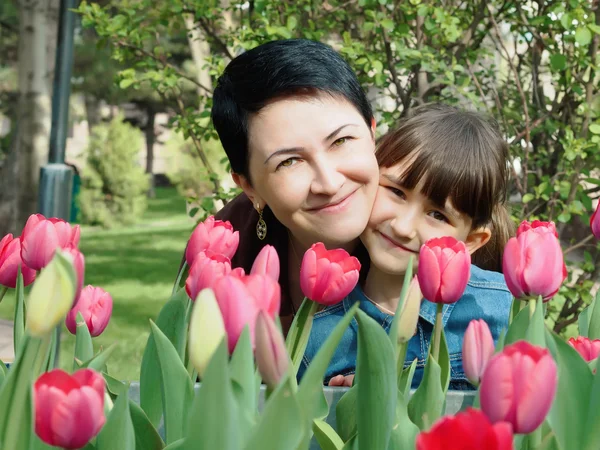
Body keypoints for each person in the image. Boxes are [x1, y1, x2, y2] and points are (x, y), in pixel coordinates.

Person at [299, 104, 514, 389]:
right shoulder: (321, 332)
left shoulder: (501, 309)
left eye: (438, 215)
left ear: (471, 241)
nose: (402, 227)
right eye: (396, 192)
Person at [207, 39, 380, 334]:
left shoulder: (434, 219)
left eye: (341, 141)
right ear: (250, 187)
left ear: (372, 132)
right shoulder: (224, 255)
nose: (329, 182)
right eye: (289, 162)